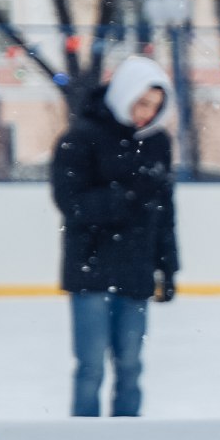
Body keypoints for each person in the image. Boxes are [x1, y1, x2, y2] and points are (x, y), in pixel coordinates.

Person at [51, 56, 177, 416]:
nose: (147, 114)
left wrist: (168, 267)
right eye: (142, 103)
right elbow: (71, 202)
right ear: (124, 94)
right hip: (90, 269)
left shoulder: (156, 142)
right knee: (90, 369)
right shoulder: (80, 138)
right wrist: (128, 194)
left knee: (131, 367)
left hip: (136, 271)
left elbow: (165, 212)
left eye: (155, 107)